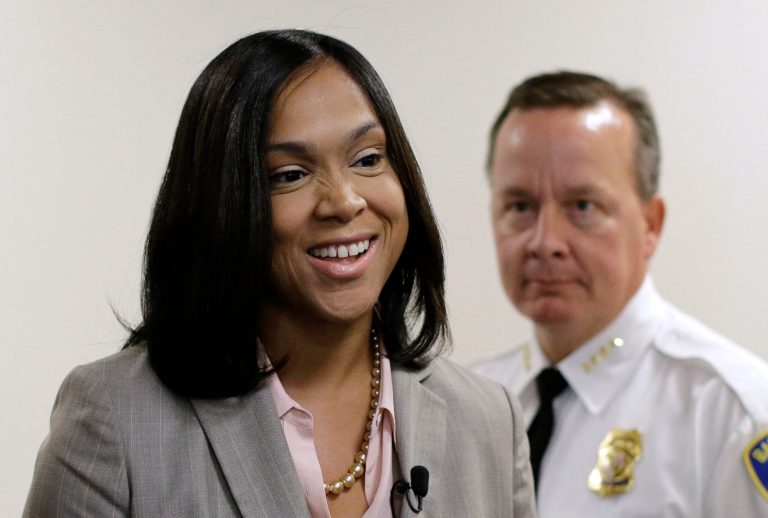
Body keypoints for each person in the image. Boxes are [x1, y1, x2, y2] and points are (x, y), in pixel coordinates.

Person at [24, 30, 535, 518]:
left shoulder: (490, 420)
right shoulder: (115, 419)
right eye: (290, 174)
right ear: (220, 205)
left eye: (367, 159)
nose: (344, 201)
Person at [474, 71, 768, 517]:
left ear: (651, 225)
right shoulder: (472, 405)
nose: (545, 241)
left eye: (582, 206)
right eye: (520, 207)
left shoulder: (731, 414)